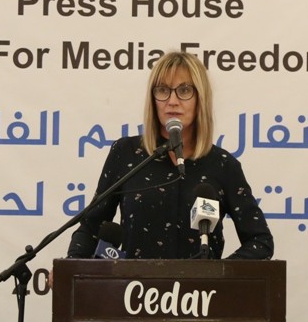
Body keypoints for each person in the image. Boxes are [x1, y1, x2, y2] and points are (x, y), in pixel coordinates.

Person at [66, 51, 274, 260]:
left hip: (201, 283)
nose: (172, 101)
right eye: (163, 90)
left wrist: (221, 274)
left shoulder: (222, 164)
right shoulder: (126, 153)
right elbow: (91, 228)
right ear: (153, 99)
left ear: (200, 98)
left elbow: (260, 241)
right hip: (134, 281)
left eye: (184, 90)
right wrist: (70, 267)